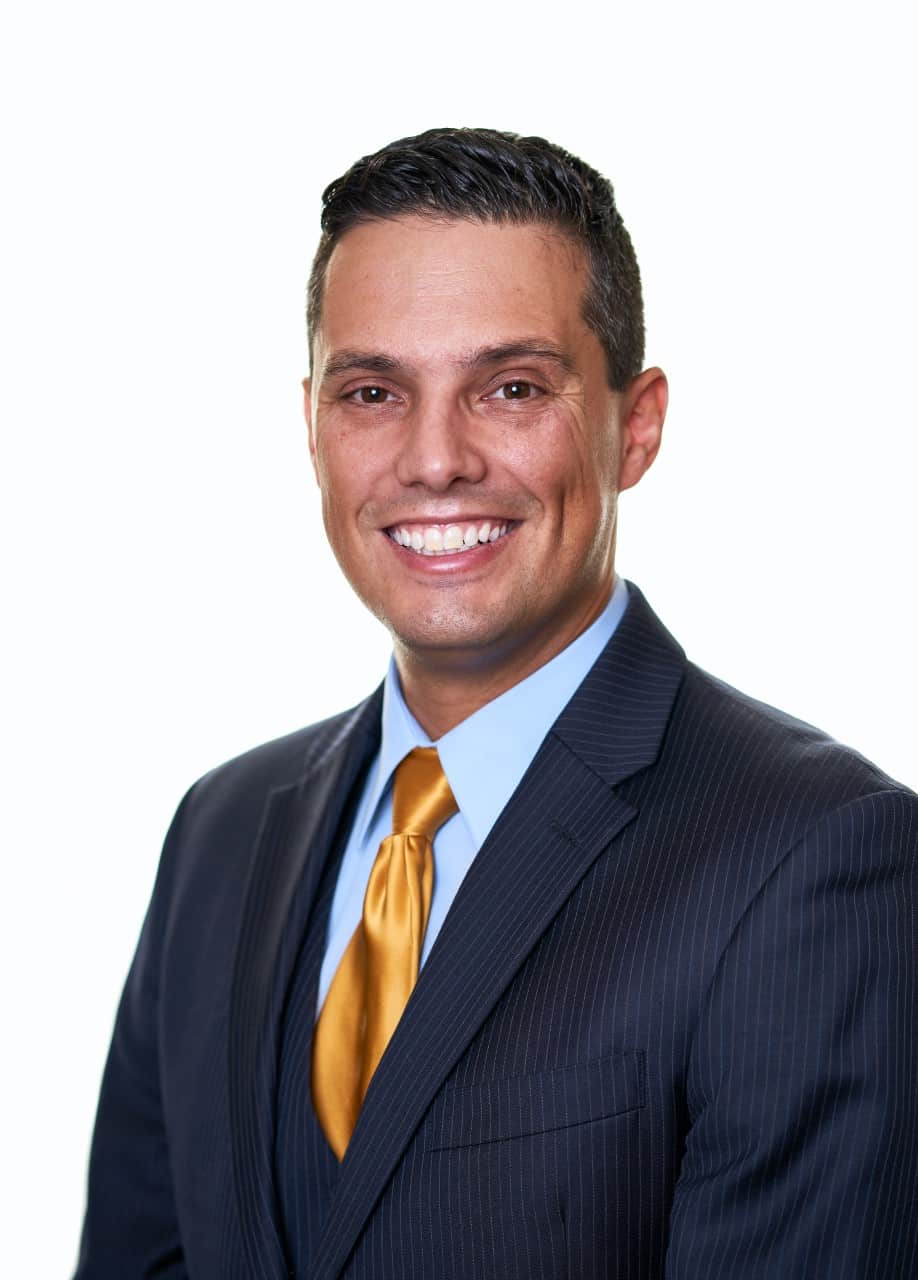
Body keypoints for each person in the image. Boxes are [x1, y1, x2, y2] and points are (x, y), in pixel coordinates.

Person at [75, 128, 917, 1279]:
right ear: (312, 424)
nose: (434, 459)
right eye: (373, 391)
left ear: (636, 423)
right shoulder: (218, 831)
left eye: (511, 388)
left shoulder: (820, 857)